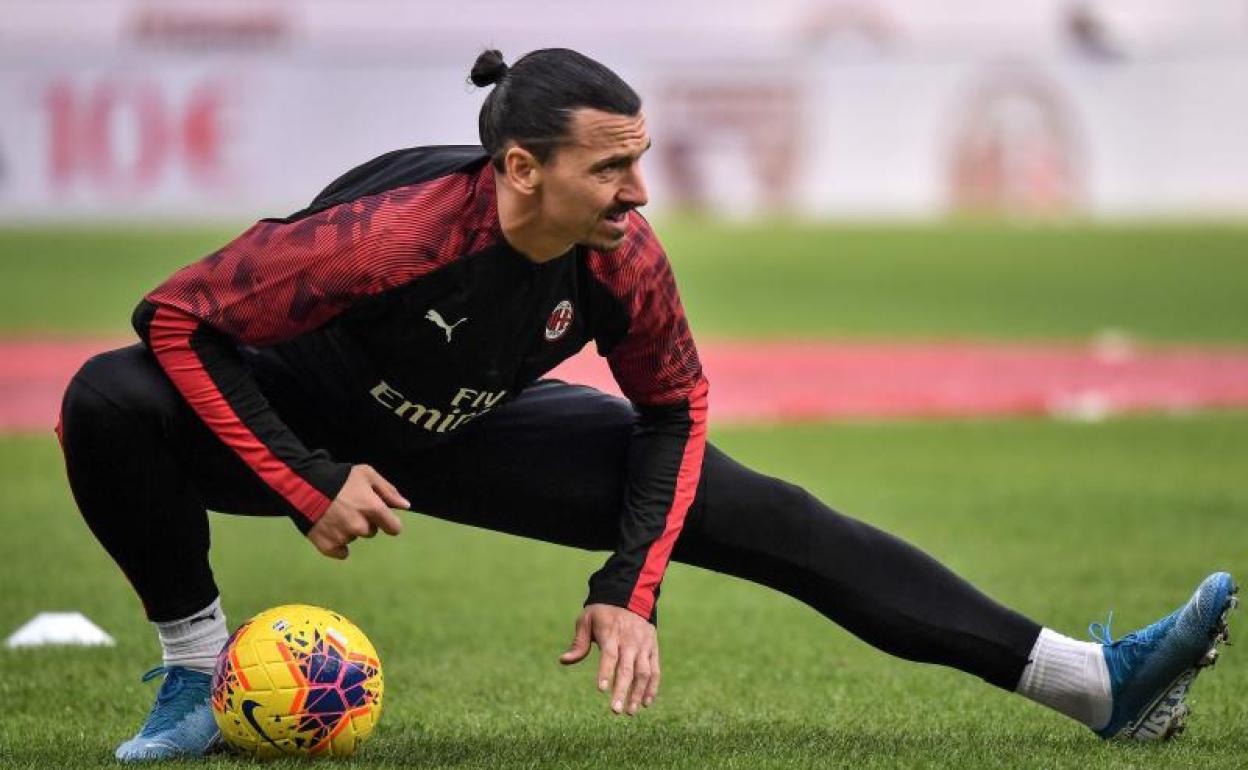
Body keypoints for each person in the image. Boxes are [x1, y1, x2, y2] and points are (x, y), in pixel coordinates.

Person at [58, 48, 1235, 762]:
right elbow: (177, 317)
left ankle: (1095, 683)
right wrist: (306, 478)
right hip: (294, 413)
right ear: (523, 169)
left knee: (774, 513)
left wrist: (630, 583)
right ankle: (197, 673)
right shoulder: (391, 236)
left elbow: (674, 409)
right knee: (108, 397)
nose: (641, 190)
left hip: (466, 424)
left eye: (642, 158)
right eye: (612, 167)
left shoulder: (622, 255)